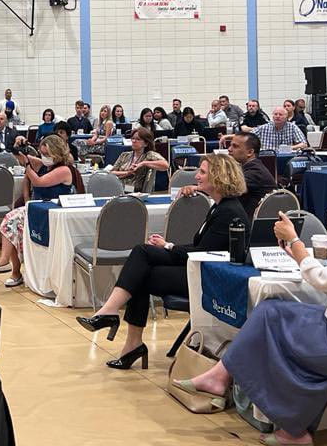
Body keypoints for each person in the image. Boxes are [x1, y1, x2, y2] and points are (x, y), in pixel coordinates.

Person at [175, 183, 327, 446]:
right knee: (271, 311)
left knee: (273, 334)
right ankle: (224, 378)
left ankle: (281, 419)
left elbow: (323, 280)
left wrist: (295, 240)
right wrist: (299, 255)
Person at [78, 154, 248, 369]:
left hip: (209, 278)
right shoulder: (220, 207)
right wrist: (169, 244)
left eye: (202, 172)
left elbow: (203, 253)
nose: (197, 176)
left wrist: (169, 247)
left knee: (140, 268)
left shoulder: (228, 212)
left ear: (219, 177)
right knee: (141, 259)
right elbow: (203, 249)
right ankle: (124, 333)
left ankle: (121, 328)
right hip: (199, 266)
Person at [0, 134, 74, 287]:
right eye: (42, 154)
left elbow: (38, 182)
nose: (44, 157)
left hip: (53, 212)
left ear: (56, 153)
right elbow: (17, 155)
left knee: (11, 218)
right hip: (36, 209)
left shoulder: (64, 170)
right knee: (11, 225)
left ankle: (8, 265)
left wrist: (27, 165)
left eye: (47, 154)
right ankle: (12, 269)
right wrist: (20, 145)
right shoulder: (43, 164)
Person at [180, 132, 275, 217]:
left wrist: (196, 188)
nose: (229, 149)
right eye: (230, 145)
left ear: (250, 152)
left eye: (235, 146)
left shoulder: (256, 172)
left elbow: (227, 187)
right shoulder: (248, 167)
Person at [109, 127, 168, 192]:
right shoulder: (124, 155)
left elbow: (165, 165)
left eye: (138, 139)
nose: (134, 141)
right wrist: (127, 173)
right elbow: (111, 173)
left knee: (110, 188)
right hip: (119, 186)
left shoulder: (149, 155)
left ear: (146, 143)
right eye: (133, 138)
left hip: (133, 189)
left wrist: (143, 163)